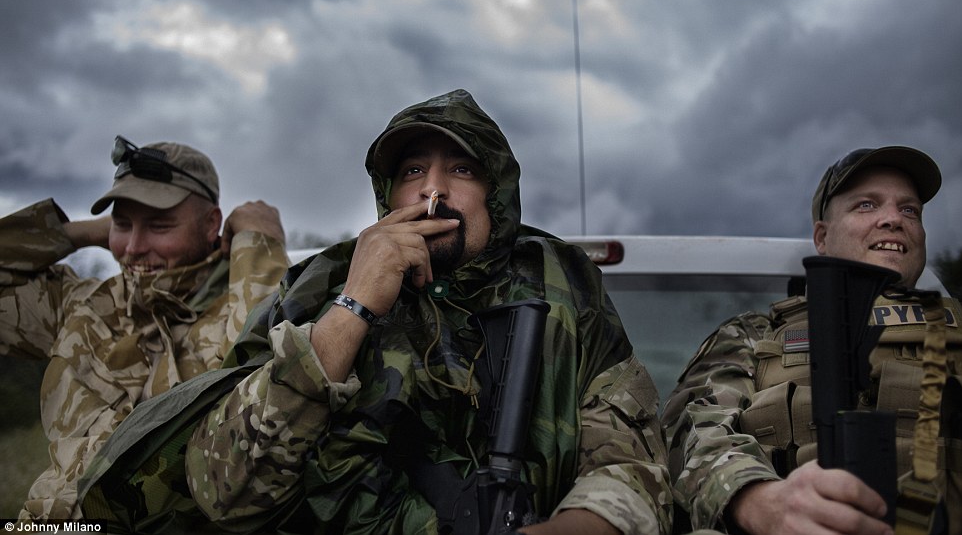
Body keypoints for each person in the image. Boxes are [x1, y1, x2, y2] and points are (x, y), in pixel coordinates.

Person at [80, 89, 672, 534]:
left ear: (497, 192)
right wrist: (354, 305)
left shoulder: (564, 284)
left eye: (460, 170)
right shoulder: (314, 288)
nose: (432, 192)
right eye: (413, 171)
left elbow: (630, 455)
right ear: (387, 193)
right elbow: (230, 489)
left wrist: (584, 524)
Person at [662, 146, 961, 535]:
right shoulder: (753, 334)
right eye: (867, 205)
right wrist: (760, 501)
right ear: (822, 236)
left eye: (910, 210)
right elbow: (694, 429)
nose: (892, 219)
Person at [0, 136, 290, 521]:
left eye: (159, 225)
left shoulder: (238, 309)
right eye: (122, 225)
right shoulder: (82, 304)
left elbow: (280, 374)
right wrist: (78, 233)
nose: (134, 247)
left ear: (210, 225)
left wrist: (260, 246)